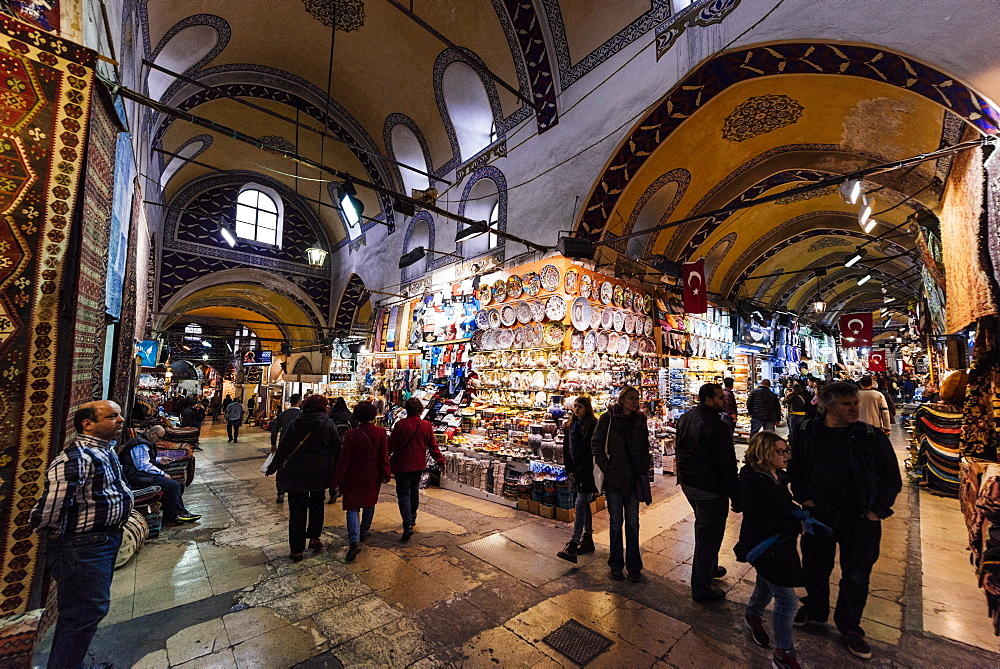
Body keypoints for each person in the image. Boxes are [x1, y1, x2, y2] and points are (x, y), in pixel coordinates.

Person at [788, 381, 902, 660]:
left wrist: (877, 510)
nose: (854, 409)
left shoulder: (870, 435)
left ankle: (850, 627)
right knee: (815, 567)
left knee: (856, 574)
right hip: (820, 516)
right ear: (827, 405)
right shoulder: (807, 432)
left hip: (860, 518)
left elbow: (891, 478)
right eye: (847, 404)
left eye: (855, 403)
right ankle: (815, 610)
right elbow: (795, 466)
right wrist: (803, 497)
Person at [30, 401, 134, 669]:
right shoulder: (78, 459)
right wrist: (63, 539)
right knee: (83, 613)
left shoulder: (103, 452)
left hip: (101, 541)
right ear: (87, 424)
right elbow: (48, 510)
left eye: (120, 415)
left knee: (85, 611)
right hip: (83, 546)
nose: (120, 420)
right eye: (112, 416)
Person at [735, 431, 805, 669]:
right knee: (787, 601)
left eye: (787, 450)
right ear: (765, 454)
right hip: (765, 545)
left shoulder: (777, 475)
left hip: (780, 544)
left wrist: (798, 511)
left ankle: (753, 614)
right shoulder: (753, 480)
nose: (787, 455)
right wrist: (796, 522)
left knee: (766, 583)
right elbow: (759, 518)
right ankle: (783, 652)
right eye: (780, 451)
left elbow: (782, 504)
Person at [675, 383, 742, 602]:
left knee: (706, 529)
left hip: (689, 484)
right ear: (708, 401)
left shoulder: (686, 418)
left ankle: (710, 567)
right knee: (708, 536)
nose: (725, 401)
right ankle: (701, 588)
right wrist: (736, 495)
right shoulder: (718, 426)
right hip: (710, 488)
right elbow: (727, 465)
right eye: (721, 398)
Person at [266, 394, 341, 561]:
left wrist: (273, 467)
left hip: (296, 473)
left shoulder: (295, 423)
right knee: (316, 506)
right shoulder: (328, 424)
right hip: (319, 474)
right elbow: (337, 449)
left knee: (297, 512)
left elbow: (284, 448)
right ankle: (314, 539)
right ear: (323, 407)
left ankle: (296, 550)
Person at [592, 386, 651, 582]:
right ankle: (616, 564)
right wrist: (606, 467)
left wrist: (643, 469)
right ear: (622, 399)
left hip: (633, 480)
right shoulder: (608, 419)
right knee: (616, 523)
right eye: (631, 398)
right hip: (614, 480)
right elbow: (596, 443)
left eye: (637, 399)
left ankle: (634, 566)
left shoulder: (640, 421)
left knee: (633, 524)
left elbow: (645, 447)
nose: (634, 402)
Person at [332, 401, 390, 561]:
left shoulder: (351, 434)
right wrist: (386, 473)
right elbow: (384, 457)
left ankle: (354, 541)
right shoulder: (380, 432)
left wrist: (337, 479)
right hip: (372, 474)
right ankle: (364, 532)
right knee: (369, 503)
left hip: (353, 474)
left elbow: (344, 459)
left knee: (352, 507)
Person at [388, 397, 444, 542]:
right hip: (418, 465)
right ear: (420, 410)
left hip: (402, 465)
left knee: (403, 494)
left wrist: (383, 460)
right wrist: (440, 460)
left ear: (407, 409)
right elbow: (433, 446)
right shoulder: (425, 425)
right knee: (414, 490)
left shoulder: (400, 425)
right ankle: (412, 517)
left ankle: (407, 525)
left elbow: (391, 446)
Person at [120, 426, 200, 524]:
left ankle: (180, 512)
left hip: (138, 473)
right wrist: (162, 473)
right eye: (159, 437)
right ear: (152, 434)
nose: (159, 441)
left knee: (177, 484)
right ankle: (171, 517)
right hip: (134, 476)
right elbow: (143, 465)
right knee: (172, 485)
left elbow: (144, 459)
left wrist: (159, 459)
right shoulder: (140, 444)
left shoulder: (144, 442)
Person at [557, 396, 599, 563]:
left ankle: (574, 544)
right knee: (584, 503)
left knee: (580, 504)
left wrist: (579, 470)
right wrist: (570, 469)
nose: (576, 409)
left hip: (587, 471)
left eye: (580, 406)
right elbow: (566, 449)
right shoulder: (571, 425)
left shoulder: (592, 425)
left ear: (587, 408)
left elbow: (592, 451)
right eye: (575, 406)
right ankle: (587, 539)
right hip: (576, 470)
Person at [269, 393, 302, 503]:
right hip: (298, 447)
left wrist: (273, 444)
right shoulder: (302, 415)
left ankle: (281, 494)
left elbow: (274, 430)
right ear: (299, 402)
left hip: (284, 446)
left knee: (281, 470)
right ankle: (297, 493)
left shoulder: (283, 415)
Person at [328, 397, 354, 504]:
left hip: (335, 446)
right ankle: (343, 489)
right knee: (346, 468)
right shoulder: (350, 416)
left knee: (334, 468)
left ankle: (333, 491)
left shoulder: (333, 416)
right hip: (348, 446)